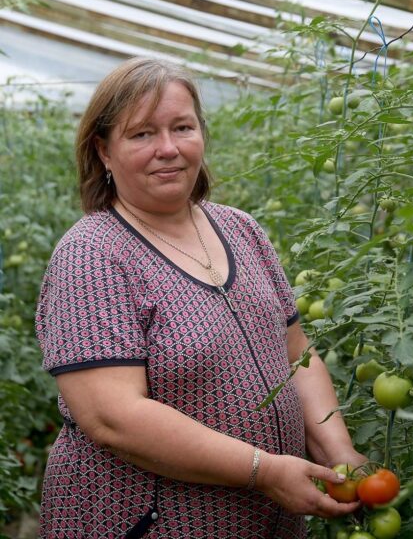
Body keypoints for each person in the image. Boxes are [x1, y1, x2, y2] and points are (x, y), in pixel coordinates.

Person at [35, 57, 368, 537]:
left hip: (267, 522)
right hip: (154, 522)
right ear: (103, 150)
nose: (168, 149)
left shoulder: (240, 229)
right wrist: (266, 470)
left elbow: (296, 354)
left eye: (182, 128)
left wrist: (338, 451)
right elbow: (113, 417)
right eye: (142, 134)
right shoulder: (92, 254)